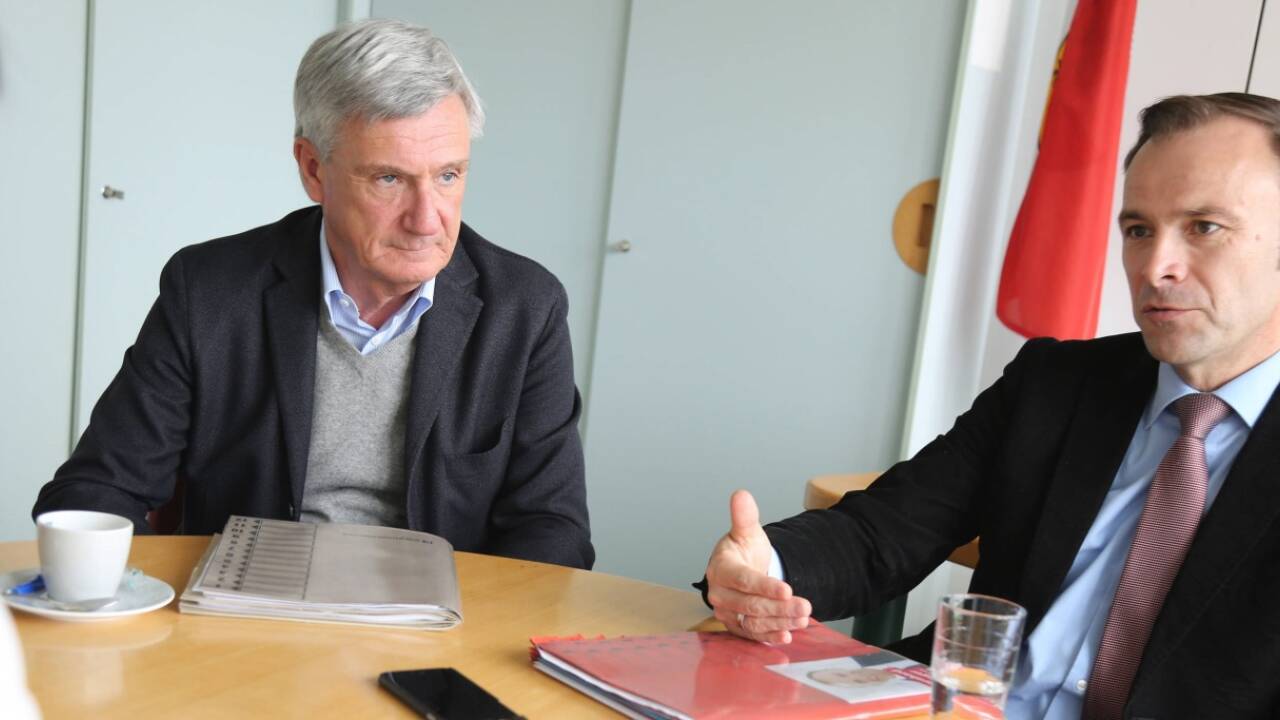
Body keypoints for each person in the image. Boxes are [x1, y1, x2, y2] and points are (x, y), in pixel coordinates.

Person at [701, 92, 1280, 719]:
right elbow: (882, 533)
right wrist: (764, 568)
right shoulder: (1059, 382)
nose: (1155, 267)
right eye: (1138, 230)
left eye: (1204, 227)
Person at [32, 19, 593, 569]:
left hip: (444, 618)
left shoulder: (525, 308)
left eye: (448, 175)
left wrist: (474, 622)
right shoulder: (208, 291)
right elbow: (95, 492)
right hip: (245, 611)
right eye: (389, 179)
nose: (427, 220)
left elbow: (553, 529)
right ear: (313, 169)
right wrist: (136, 598)